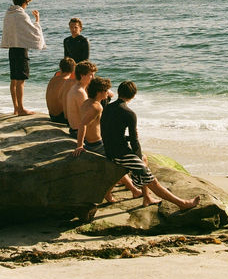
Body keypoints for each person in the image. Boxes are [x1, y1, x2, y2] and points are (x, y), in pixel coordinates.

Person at [101, 81, 201, 210]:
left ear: (119, 92)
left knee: (144, 159)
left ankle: (147, 198)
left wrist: (138, 156)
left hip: (109, 150)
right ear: (133, 95)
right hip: (120, 154)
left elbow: (108, 131)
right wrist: (137, 158)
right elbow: (134, 141)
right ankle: (183, 204)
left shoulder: (108, 108)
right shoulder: (129, 113)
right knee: (151, 179)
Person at [72, 76, 142, 201]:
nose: (108, 93)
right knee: (119, 163)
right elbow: (83, 124)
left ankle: (129, 188)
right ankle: (133, 190)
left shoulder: (87, 102)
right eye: (106, 91)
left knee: (118, 161)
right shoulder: (97, 107)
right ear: (99, 92)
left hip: (92, 142)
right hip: (97, 144)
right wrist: (79, 145)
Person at [1, 0, 45, 116]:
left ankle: (16, 108)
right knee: (21, 80)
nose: (27, 5)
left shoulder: (9, 13)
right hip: (20, 49)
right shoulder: (21, 14)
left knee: (14, 79)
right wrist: (37, 20)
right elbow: (32, 31)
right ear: (24, 2)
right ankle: (21, 109)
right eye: (27, 3)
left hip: (12, 48)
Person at [65, 60, 97, 137]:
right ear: (82, 76)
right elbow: (88, 115)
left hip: (74, 129)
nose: (93, 78)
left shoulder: (76, 87)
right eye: (91, 75)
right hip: (78, 131)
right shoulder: (80, 92)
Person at [45, 57, 76, 124]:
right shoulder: (68, 82)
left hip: (52, 115)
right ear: (73, 69)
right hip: (60, 117)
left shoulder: (53, 79)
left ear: (60, 68)